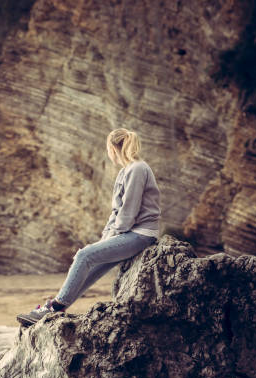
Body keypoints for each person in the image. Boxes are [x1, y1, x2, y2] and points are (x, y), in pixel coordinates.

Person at [16, 128, 161, 327]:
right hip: (128, 233)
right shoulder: (125, 171)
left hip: (140, 234)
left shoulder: (138, 168)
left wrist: (112, 238)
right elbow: (116, 212)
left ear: (112, 148)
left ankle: (55, 307)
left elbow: (129, 211)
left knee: (84, 256)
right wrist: (106, 240)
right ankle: (58, 308)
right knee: (91, 264)